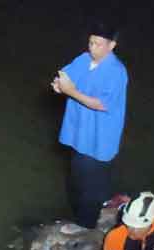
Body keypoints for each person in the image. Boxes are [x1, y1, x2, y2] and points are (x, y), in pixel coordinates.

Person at [51, 21, 128, 229]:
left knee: (90, 188)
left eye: (98, 44)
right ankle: (80, 216)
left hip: (98, 140)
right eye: (91, 42)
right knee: (75, 180)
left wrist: (70, 91)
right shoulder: (84, 59)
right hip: (79, 134)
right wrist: (59, 84)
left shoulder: (116, 72)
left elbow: (102, 104)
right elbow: (67, 75)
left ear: (112, 45)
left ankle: (86, 227)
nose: (92, 47)